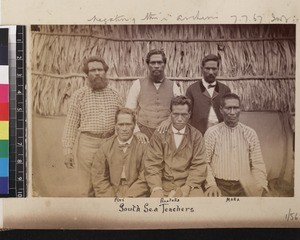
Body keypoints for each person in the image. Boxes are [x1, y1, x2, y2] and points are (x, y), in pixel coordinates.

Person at [62, 56, 123, 197]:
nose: (97, 73)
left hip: (110, 143)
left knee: (110, 183)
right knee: (87, 187)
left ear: (105, 72)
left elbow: (124, 120)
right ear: (87, 74)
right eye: (93, 70)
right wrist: (67, 150)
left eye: (100, 70)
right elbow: (71, 125)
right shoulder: (79, 96)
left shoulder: (115, 95)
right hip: (87, 144)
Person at [204, 93, 268, 197]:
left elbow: (258, 163)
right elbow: (204, 162)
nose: (232, 112)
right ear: (221, 110)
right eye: (228, 108)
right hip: (219, 185)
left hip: (245, 185)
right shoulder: (211, 133)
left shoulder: (250, 133)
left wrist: (260, 184)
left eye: (235, 108)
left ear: (240, 109)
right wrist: (211, 185)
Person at [144, 96, 207, 197]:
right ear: (170, 114)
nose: (179, 119)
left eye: (184, 115)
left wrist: (188, 186)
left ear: (189, 114)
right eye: (176, 114)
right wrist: (156, 187)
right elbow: (152, 164)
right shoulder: (159, 134)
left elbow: (199, 165)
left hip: (189, 184)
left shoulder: (196, 136)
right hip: (164, 184)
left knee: (197, 205)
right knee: (156, 205)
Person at [126, 49, 182, 143]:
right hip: (144, 134)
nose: (156, 66)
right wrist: (137, 132)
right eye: (153, 63)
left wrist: (169, 120)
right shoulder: (137, 84)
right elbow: (129, 111)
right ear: (148, 65)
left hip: (166, 133)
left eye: (159, 62)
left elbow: (180, 110)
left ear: (164, 64)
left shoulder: (174, 86)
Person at [91, 108, 149, 197]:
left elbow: (145, 176)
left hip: (136, 193)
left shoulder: (143, 147)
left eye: (128, 124)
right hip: (112, 191)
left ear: (134, 126)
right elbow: (99, 178)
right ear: (116, 126)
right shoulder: (105, 147)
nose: (124, 129)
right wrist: (111, 197)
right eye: (121, 124)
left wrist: (131, 195)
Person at [186, 54, 231, 135]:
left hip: (221, 133)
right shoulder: (192, 89)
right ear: (202, 69)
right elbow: (187, 114)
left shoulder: (225, 90)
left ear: (218, 70)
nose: (211, 72)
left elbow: (229, 113)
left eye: (214, 69)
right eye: (207, 68)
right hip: (198, 134)